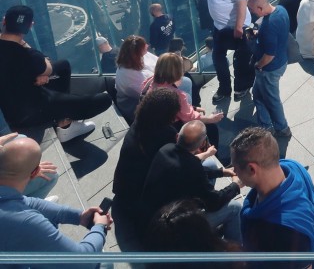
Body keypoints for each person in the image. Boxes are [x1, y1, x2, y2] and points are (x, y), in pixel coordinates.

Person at [0, 5, 112, 143]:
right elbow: (46, 65)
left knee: (63, 65)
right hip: (32, 113)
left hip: (12, 110)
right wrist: (43, 72)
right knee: (104, 100)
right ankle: (65, 121)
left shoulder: (23, 55)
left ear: (4, 21)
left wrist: (41, 72)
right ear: (30, 26)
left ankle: (63, 120)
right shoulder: (28, 56)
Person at [172, 0, 254, 103]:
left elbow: (241, 4)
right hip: (219, 26)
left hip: (239, 26)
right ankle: (224, 89)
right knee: (218, 58)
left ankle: (242, 87)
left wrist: (238, 27)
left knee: (242, 59)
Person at [0, 135, 112, 257]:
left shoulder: (10, 204)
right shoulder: (25, 222)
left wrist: (79, 216)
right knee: (104, 263)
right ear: (35, 173)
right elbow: (81, 262)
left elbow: (26, 202)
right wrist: (100, 227)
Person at [141, 120, 244, 243]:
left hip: (152, 215)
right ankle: (236, 253)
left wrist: (221, 172)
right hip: (171, 230)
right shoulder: (192, 168)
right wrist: (235, 185)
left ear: (177, 136)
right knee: (235, 208)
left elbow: (190, 170)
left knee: (210, 164)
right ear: (201, 144)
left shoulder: (166, 149)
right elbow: (214, 203)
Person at [231, 127, 314, 259]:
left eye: (235, 167)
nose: (234, 171)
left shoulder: (284, 232)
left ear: (252, 169)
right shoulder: (293, 166)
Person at [111, 87, 181, 245]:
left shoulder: (139, 123)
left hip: (123, 194)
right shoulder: (166, 135)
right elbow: (178, 166)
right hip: (141, 204)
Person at [247, 0, 291, 138]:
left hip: (269, 69)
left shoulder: (268, 25)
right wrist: (259, 33)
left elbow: (269, 56)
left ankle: (282, 128)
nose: (252, 13)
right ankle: (265, 124)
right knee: (258, 94)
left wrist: (258, 65)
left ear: (260, 8)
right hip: (281, 61)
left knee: (272, 99)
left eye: (252, 10)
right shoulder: (280, 10)